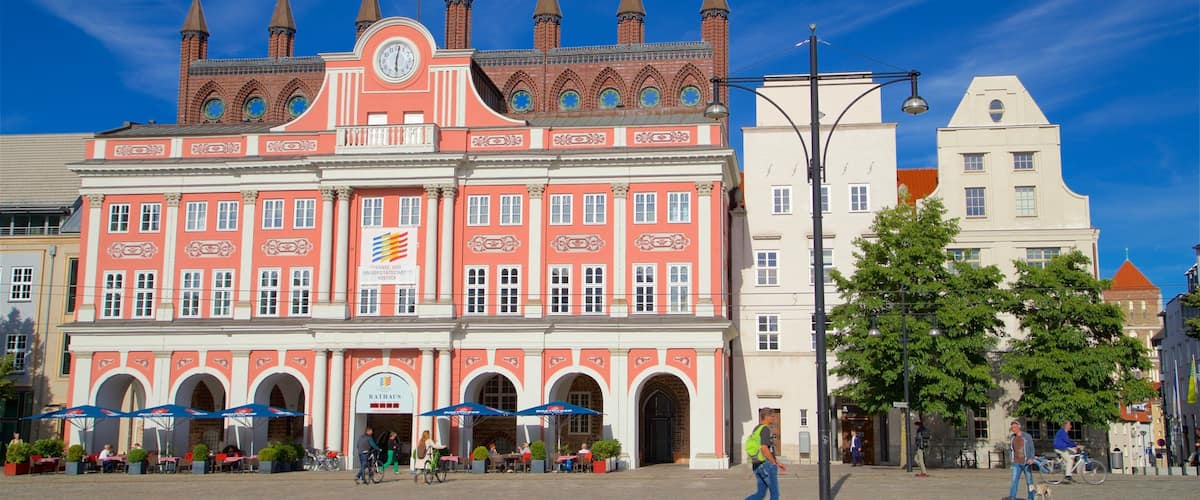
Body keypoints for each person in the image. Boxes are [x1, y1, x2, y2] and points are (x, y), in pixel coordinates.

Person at [745, 408, 786, 500]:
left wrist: (777, 462)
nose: (774, 419)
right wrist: (773, 463)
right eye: (772, 416)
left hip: (757, 464)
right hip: (766, 465)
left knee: (760, 494)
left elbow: (767, 449)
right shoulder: (765, 429)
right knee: (775, 494)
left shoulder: (756, 429)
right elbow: (764, 448)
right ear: (766, 417)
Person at [1008, 421, 1036, 500]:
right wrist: (1011, 458)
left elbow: (1032, 448)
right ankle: (1012, 497)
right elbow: (1011, 449)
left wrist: (1031, 458)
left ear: (1019, 427)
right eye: (1012, 428)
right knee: (1014, 481)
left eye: (1015, 427)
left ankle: (1031, 498)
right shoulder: (1012, 437)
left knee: (1029, 481)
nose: (1013, 429)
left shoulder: (1027, 436)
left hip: (1026, 462)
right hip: (1016, 463)